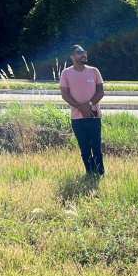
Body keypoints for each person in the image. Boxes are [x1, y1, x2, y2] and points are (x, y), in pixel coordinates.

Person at [59, 44, 106, 177]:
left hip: (94, 116)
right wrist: (80, 107)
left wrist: (89, 105)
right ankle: (90, 174)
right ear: (72, 57)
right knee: (85, 149)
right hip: (77, 118)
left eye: (84, 52)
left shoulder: (94, 71)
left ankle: (100, 174)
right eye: (79, 52)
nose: (84, 54)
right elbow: (65, 95)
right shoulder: (66, 73)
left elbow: (100, 92)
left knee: (96, 147)